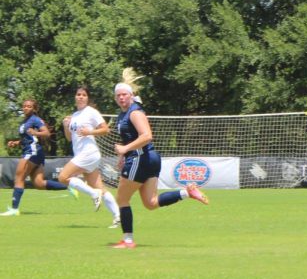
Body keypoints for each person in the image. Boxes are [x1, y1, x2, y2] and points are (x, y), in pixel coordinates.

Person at [111, 77, 209, 249]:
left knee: (122, 199)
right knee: (151, 203)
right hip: (147, 158)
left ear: (131, 96)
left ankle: (127, 240)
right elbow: (131, 136)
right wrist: (123, 155)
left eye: (124, 94)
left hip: (140, 158)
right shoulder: (124, 114)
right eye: (118, 95)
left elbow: (147, 135)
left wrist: (125, 149)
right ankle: (187, 192)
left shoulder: (134, 112)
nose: (121, 98)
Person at [53, 86, 122, 227]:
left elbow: (105, 129)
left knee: (62, 177)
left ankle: (92, 194)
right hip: (83, 155)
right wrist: (66, 126)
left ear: (87, 98)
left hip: (89, 153)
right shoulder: (74, 116)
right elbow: (69, 139)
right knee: (100, 188)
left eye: (83, 95)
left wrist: (89, 132)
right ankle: (118, 216)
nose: (80, 97)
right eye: (78, 94)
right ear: (75, 97)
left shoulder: (91, 112)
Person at [2, 99, 71, 216]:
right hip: (33, 151)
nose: (25, 108)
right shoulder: (25, 121)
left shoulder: (35, 119)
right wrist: (16, 142)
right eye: (24, 106)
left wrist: (36, 132)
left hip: (32, 152)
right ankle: (69, 187)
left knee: (19, 178)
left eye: (29, 106)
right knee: (38, 183)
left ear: (34, 109)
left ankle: (14, 209)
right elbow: (27, 138)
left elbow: (46, 133)